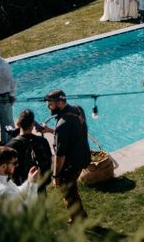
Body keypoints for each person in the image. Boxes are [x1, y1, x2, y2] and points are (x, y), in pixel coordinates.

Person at [43, 89, 91, 223]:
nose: (48, 107)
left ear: (59, 103)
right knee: (72, 190)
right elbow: (72, 133)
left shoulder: (62, 125)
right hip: (83, 157)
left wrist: (56, 175)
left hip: (71, 164)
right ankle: (80, 216)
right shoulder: (78, 109)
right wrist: (50, 130)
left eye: (50, 104)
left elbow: (60, 156)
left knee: (68, 193)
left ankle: (78, 219)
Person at [6, 109, 52, 190]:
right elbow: (50, 161)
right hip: (40, 184)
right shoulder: (43, 141)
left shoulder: (11, 145)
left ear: (18, 124)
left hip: (20, 187)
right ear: (32, 125)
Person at [0, 146, 39, 212]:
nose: (17, 165)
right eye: (14, 163)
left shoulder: (2, 179)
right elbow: (26, 210)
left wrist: (29, 181)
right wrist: (33, 184)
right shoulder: (5, 191)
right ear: (3, 166)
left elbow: (16, 191)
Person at [0, 47, 15, 144]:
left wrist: (12, 95)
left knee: (8, 122)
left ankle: (13, 143)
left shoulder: (3, 67)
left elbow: (11, 81)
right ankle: (4, 141)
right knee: (1, 120)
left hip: (5, 97)